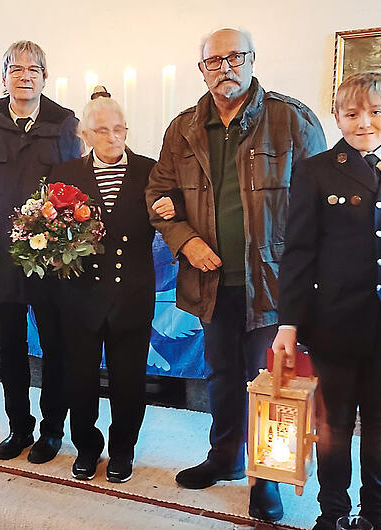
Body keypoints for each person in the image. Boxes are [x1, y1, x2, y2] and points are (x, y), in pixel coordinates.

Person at [146, 28, 327, 522]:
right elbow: (158, 197)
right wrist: (186, 239)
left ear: (251, 60)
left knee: (270, 383)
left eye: (235, 57)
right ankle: (225, 456)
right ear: (201, 68)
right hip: (210, 282)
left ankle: (267, 478)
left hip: (272, 281)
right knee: (221, 376)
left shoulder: (292, 120)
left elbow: (320, 204)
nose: (225, 67)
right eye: (214, 60)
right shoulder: (182, 128)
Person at [272, 72, 381, 530]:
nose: (364, 122)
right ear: (338, 117)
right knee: (334, 424)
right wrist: (289, 323)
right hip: (333, 320)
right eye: (351, 114)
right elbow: (299, 251)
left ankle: (378, 516)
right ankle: (333, 514)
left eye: (375, 111)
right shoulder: (315, 169)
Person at [0, 40, 83, 464]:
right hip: (0, 261)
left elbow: (80, 191)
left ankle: (51, 432)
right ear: (4, 76)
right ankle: (18, 428)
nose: (25, 75)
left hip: (52, 262)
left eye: (34, 69)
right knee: (8, 350)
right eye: (17, 69)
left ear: (45, 77)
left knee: (55, 348)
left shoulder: (65, 123)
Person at [48, 96, 155, 483]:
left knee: (129, 381)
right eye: (103, 130)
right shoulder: (65, 174)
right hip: (81, 298)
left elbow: (169, 217)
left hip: (132, 295)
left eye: (119, 129)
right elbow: (51, 233)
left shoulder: (151, 171)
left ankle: (123, 450)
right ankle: (87, 448)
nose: (113, 137)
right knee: (81, 379)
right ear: (86, 134)